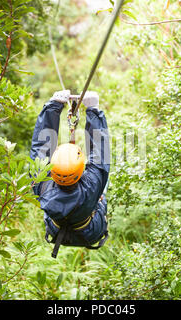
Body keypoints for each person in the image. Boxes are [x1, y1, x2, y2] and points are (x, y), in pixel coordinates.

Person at [30, 90, 110, 258]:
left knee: (100, 175)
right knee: (103, 178)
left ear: (52, 170)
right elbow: (100, 154)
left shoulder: (42, 184)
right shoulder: (91, 187)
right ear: (81, 171)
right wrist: (93, 110)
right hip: (90, 231)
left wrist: (53, 106)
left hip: (56, 228)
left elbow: (40, 149)